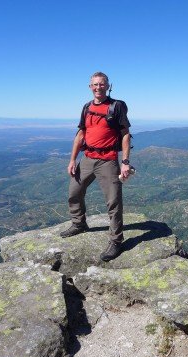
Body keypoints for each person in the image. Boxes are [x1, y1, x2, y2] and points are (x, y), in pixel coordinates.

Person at [60, 72, 132, 261]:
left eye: (102, 84)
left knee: (113, 201)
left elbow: (125, 134)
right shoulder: (86, 107)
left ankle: (116, 241)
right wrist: (72, 160)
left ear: (108, 86)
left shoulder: (116, 107)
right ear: (90, 87)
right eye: (95, 84)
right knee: (74, 192)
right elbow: (80, 135)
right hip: (87, 158)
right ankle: (79, 223)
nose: (98, 87)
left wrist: (125, 162)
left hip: (108, 159)